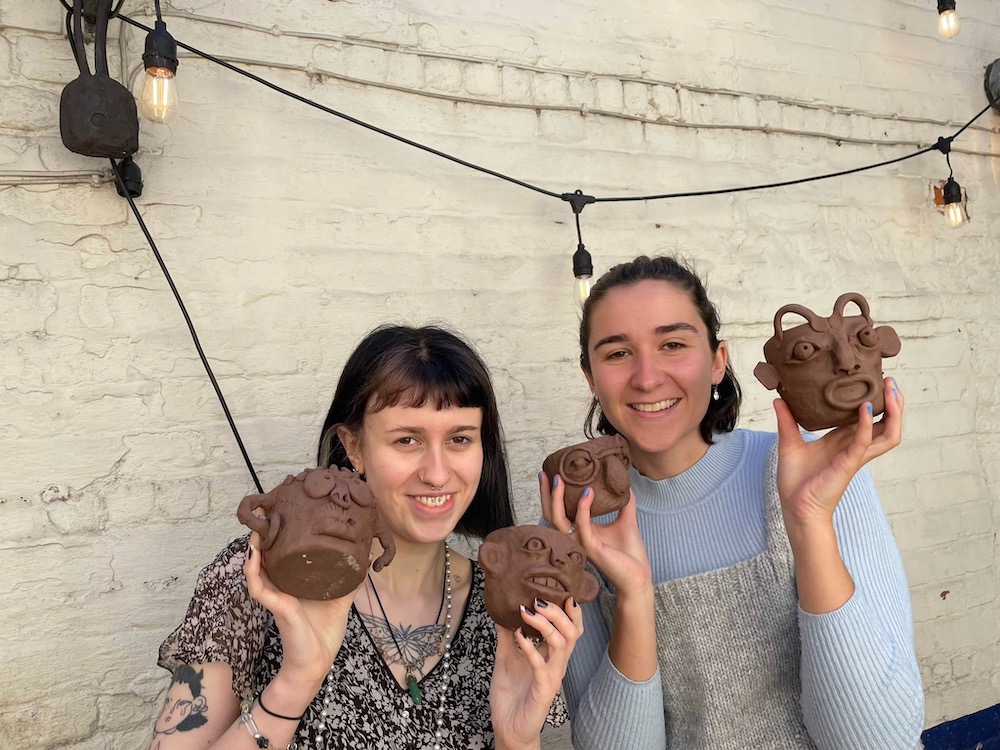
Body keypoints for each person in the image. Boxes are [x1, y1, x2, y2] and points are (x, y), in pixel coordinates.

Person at [541, 256, 925, 750]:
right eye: (617, 354)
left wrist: (808, 521)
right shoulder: (575, 526)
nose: (647, 377)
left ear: (718, 360)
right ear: (591, 377)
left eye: (673, 344)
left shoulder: (815, 474)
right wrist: (633, 596)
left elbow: (880, 740)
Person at [152, 325, 581, 750]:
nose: (436, 473)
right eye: (407, 439)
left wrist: (516, 739)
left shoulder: (506, 611)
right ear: (353, 447)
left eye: (459, 439)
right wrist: (296, 682)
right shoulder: (259, 580)